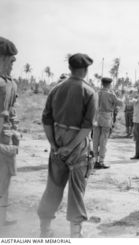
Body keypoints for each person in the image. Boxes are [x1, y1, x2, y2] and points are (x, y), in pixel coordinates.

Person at [37, 53, 96, 238]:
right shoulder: (90, 92)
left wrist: (54, 144)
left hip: (57, 137)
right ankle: (75, 234)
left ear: (69, 69)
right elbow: (87, 127)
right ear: (86, 70)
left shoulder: (56, 89)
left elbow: (46, 119)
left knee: (53, 186)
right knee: (77, 190)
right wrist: (70, 147)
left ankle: (44, 230)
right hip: (78, 143)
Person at [0, 36, 19, 227]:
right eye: (10, 59)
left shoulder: (11, 83)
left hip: (6, 138)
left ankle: (2, 218)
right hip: (3, 138)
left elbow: (12, 112)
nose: (13, 63)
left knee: (4, 179)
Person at [92, 77, 122, 169]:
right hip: (106, 117)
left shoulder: (96, 93)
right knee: (103, 140)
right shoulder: (110, 94)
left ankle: (94, 160)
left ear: (102, 84)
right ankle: (101, 161)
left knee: (95, 139)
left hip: (96, 117)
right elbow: (120, 103)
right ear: (109, 84)